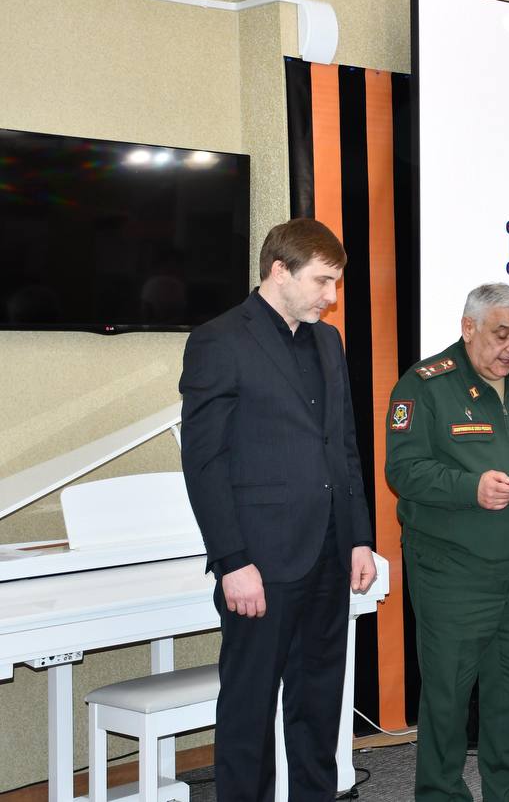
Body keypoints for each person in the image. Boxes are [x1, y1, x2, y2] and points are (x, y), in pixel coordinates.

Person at [179, 218, 378, 801]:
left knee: (318, 708)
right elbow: (205, 463)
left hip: (328, 555)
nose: (331, 297)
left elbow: (343, 446)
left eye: (336, 283)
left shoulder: (327, 341)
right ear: (279, 272)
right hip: (260, 562)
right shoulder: (220, 340)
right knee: (250, 711)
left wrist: (358, 538)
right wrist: (232, 561)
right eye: (322, 281)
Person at [385, 282, 509, 802]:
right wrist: (471, 488)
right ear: (468, 328)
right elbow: (404, 470)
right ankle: (440, 793)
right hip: (453, 570)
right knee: (448, 694)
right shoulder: (425, 385)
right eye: (501, 334)